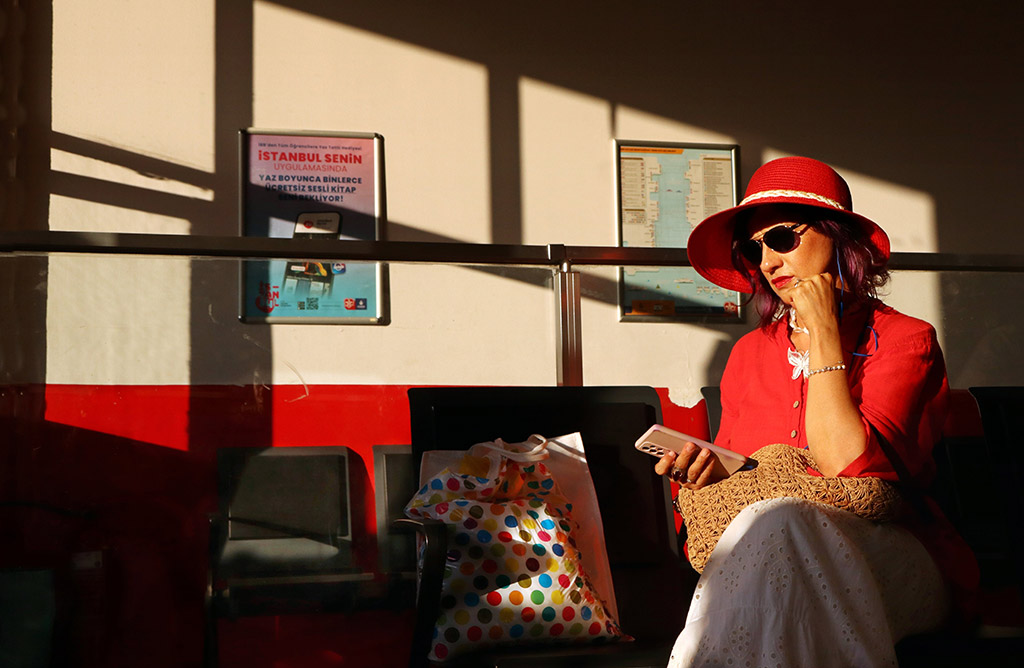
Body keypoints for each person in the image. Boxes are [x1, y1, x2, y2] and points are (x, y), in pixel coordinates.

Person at [654, 156, 978, 667]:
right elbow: (745, 478)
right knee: (775, 529)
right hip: (770, 558)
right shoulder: (748, 354)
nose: (767, 262)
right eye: (753, 247)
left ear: (836, 235)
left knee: (780, 523)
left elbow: (847, 465)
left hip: (893, 554)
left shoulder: (905, 339)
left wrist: (823, 333)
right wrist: (710, 474)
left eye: (782, 238)